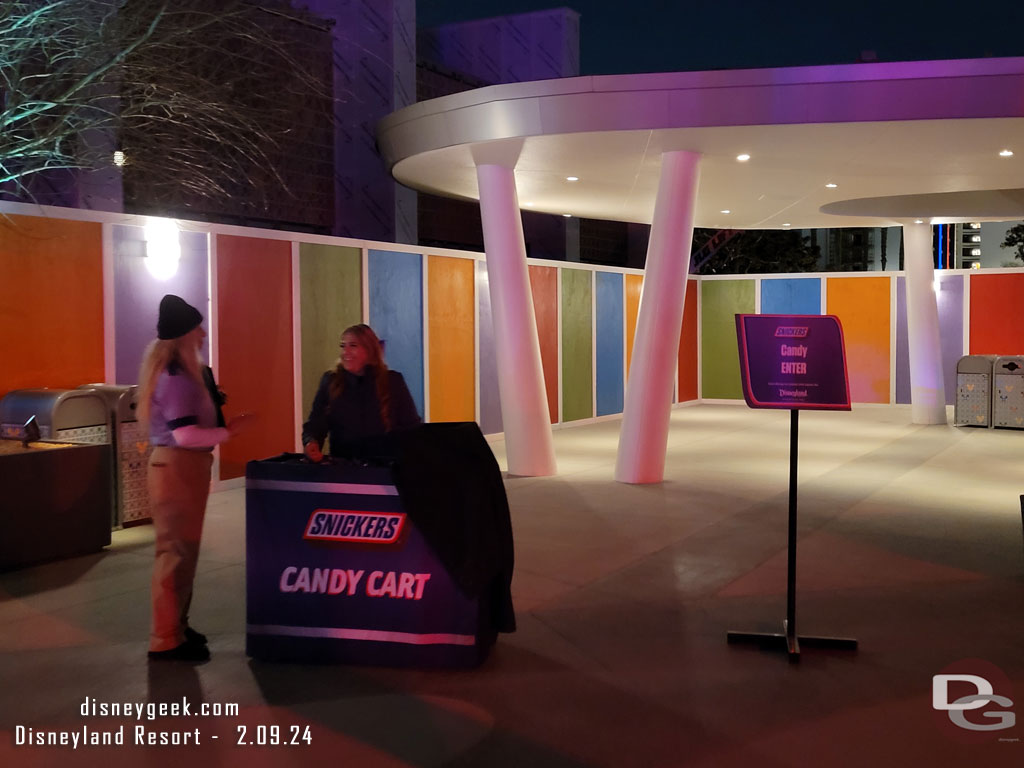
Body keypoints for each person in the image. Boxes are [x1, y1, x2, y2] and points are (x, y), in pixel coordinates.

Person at [138, 295, 250, 662]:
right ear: (183, 335)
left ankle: (177, 627)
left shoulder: (183, 373)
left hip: (181, 468)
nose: (203, 333)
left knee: (183, 554)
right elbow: (185, 435)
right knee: (175, 555)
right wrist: (229, 433)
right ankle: (165, 639)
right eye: (197, 327)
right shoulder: (175, 379)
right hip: (178, 467)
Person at [302, 323, 420, 461]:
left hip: (384, 469)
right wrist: (311, 442)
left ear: (369, 350)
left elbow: (412, 428)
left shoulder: (393, 381)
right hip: (342, 469)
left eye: (353, 346)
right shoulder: (330, 381)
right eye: (342, 346)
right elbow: (316, 423)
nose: (345, 352)